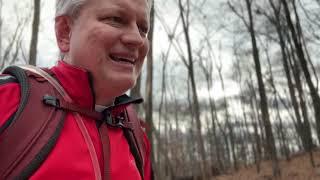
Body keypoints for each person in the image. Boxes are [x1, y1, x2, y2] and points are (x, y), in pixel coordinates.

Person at [0, 0, 152, 179]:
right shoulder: (9, 100)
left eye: (143, 29)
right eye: (116, 19)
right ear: (65, 32)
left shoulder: (135, 133)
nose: (137, 39)